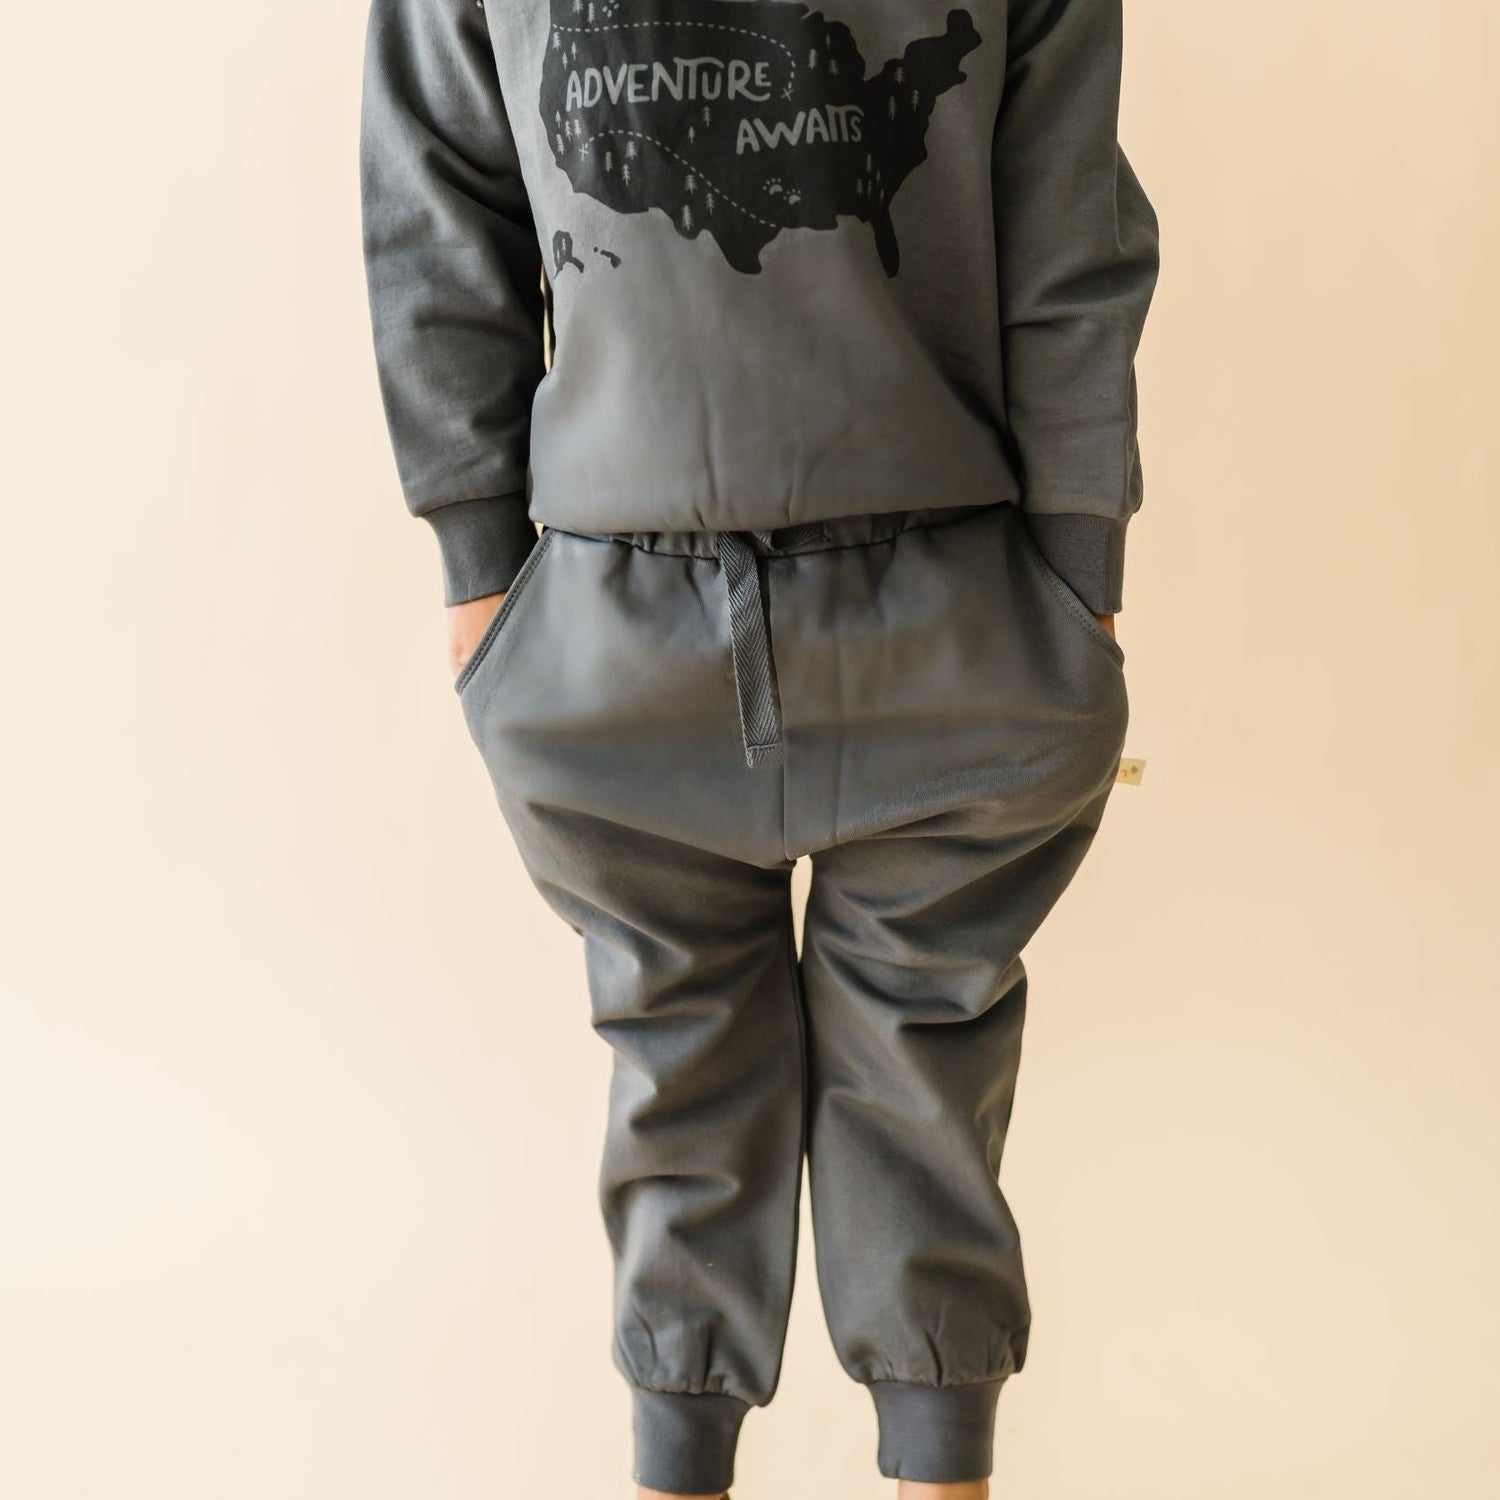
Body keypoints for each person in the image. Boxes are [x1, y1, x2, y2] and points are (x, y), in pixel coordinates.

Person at [358, 0, 1159, 1494]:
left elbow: (1068, 219)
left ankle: (906, 1458)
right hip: (638, 610)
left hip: (921, 603)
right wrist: (478, 568)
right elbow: (437, 189)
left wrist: (1081, 572)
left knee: (782, 1074)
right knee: (833, 1076)